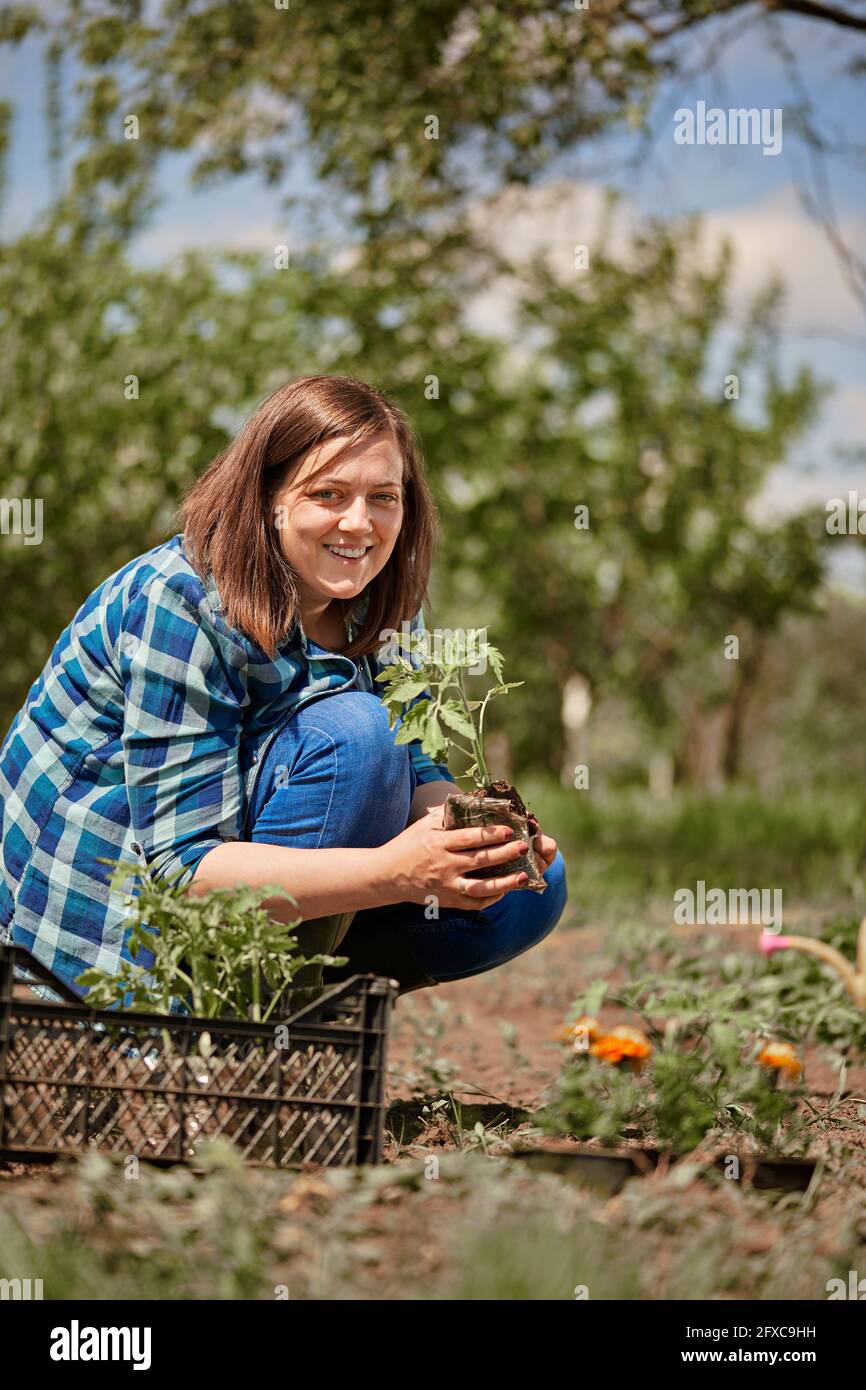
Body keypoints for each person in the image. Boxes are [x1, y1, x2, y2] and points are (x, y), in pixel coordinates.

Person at [0, 374, 567, 1006]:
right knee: (356, 736)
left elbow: (412, 763)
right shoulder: (182, 601)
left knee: (527, 890)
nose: (360, 523)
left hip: (254, 882)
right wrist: (397, 873)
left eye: (384, 496)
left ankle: (292, 1016)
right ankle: (222, 1031)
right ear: (270, 497)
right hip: (104, 919)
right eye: (328, 493)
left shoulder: (383, 601)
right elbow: (181, 869)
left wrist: (472, 839)